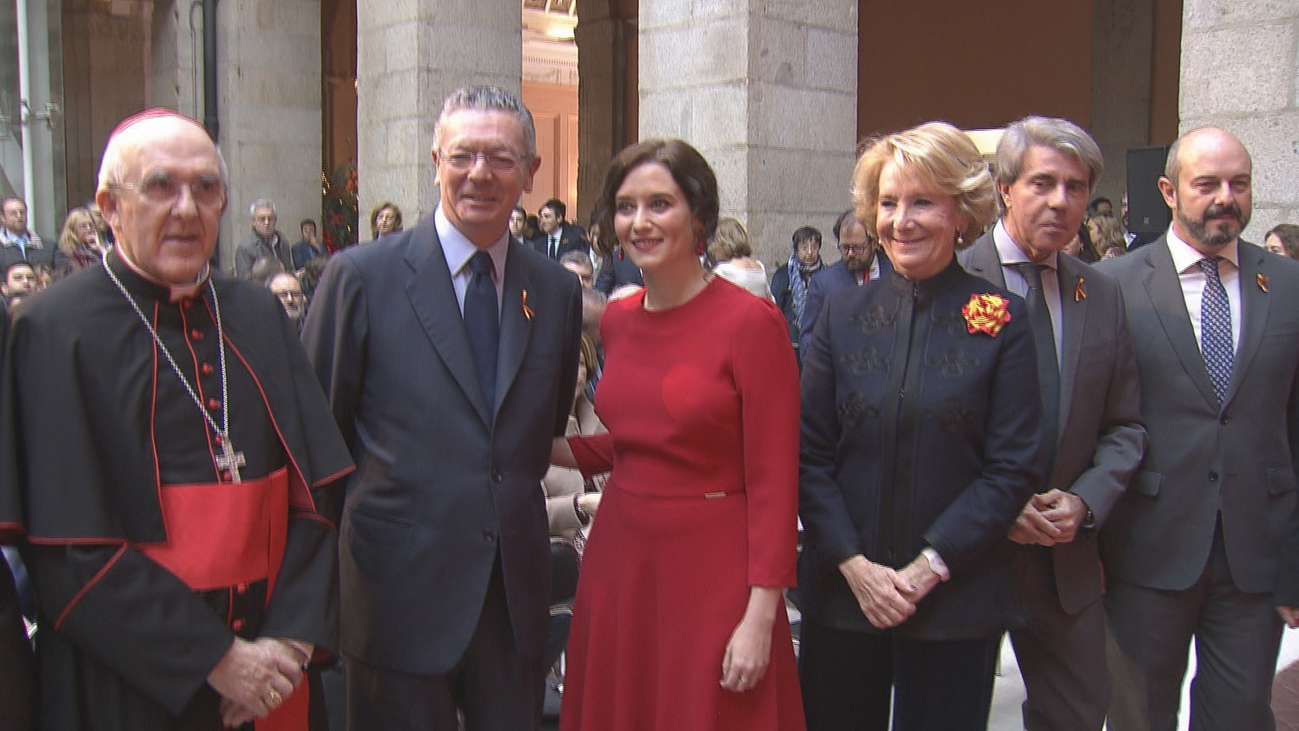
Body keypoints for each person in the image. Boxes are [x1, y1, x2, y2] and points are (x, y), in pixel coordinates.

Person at [0, 109, 352, 729]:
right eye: (161, 186)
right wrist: (215, 658)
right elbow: (65, 546)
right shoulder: (52, 329)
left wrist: (288, 643)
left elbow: (317, 495)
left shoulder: (258, 315)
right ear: (110, 207)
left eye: (206, 188)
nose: (187, 208)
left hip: (271, 680)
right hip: (126, 684)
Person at [301, 85, 583, 729]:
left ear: (531, 172)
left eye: (501, 158)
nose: (480, 173)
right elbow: (316, 449)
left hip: (510, 606)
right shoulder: (360, 278)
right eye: (463, 155)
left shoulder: (556, 292)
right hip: (394, 601)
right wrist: (313, 605)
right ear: (436, 163)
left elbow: (532, 433)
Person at [797, 121, 1045, 731]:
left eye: (923, 203)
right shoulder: (840, 312)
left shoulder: (1003, 318)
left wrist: (925, 569)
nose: (901, 221)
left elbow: (1012, 469)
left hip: (955, 599)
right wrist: (856, 568)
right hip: (843, 595)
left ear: (962, 213)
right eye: (888, 203)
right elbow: (809, 455)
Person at [552, 138, 804, 730]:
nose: (639, 221)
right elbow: (643, 440)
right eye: (626, 206)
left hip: (713, 566)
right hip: (621, 561)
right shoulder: (619, 319)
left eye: (659, 204)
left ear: (700, 218)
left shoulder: (751, 323)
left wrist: (761, 613)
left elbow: (775, 479)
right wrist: (544, 447)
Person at [1098, 127, 1299, 731]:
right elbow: (1095, 420)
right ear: (1169, 191)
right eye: (1207, 184)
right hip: (1144, 551)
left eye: (1239, 184)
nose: (1225, 198)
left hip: (1255, 557)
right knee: (1139, 718)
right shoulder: (1112, 286)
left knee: (1241, 717)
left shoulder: (1289, 286)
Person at [957, 115, 1147, 731]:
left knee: (1079, 713)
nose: (1060, 201)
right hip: (968, 559)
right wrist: (997, 506)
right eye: (1042, 183)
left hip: (1065, 562)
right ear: (1005, 188)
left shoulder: (1102, 293)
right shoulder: (950, 280)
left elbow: (1125, 426)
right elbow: (927, 430)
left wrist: (1085, 502)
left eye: (1075, 186)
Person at [798, 209, 892, 354]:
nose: (850, 254)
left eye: (857, 248)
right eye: (844, 247)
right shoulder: (824, 283)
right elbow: (808, 338)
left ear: (873, 243)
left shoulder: (899, 274)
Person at [771, 226, 824, 358]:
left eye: (814, 247)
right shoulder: (783, 274)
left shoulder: (826, 274)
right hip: (790, 343)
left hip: (819, 343)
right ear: (796, 249)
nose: (810, 252)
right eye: (804, 248)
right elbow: (775, 309)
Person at [708, 217, 773, 299]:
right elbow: (770, 299)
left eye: (714, 241)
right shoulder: (759, 266)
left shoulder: (724, 270)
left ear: (722, 243)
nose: (711, 247)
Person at [0, 197, 64, 273]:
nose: (19, 216)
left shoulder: (49, 247)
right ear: (2, 218)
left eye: (22, 212)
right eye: (13, 213)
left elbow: (61, 273)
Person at [235, 199, 294, 277]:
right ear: (253, 222)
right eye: (262, 219)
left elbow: (288, 270)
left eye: (270, 218)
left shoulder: (283, 243)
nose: (267, 223)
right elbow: (245, 279)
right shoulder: (245, 248)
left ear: (275, 220)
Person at [58, 206, 105, 272]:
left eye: (91, 225)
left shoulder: (96, 251)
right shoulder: (65, 255)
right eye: (83, 226)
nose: (89, 229)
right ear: (73, 230)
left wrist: (100, 249)